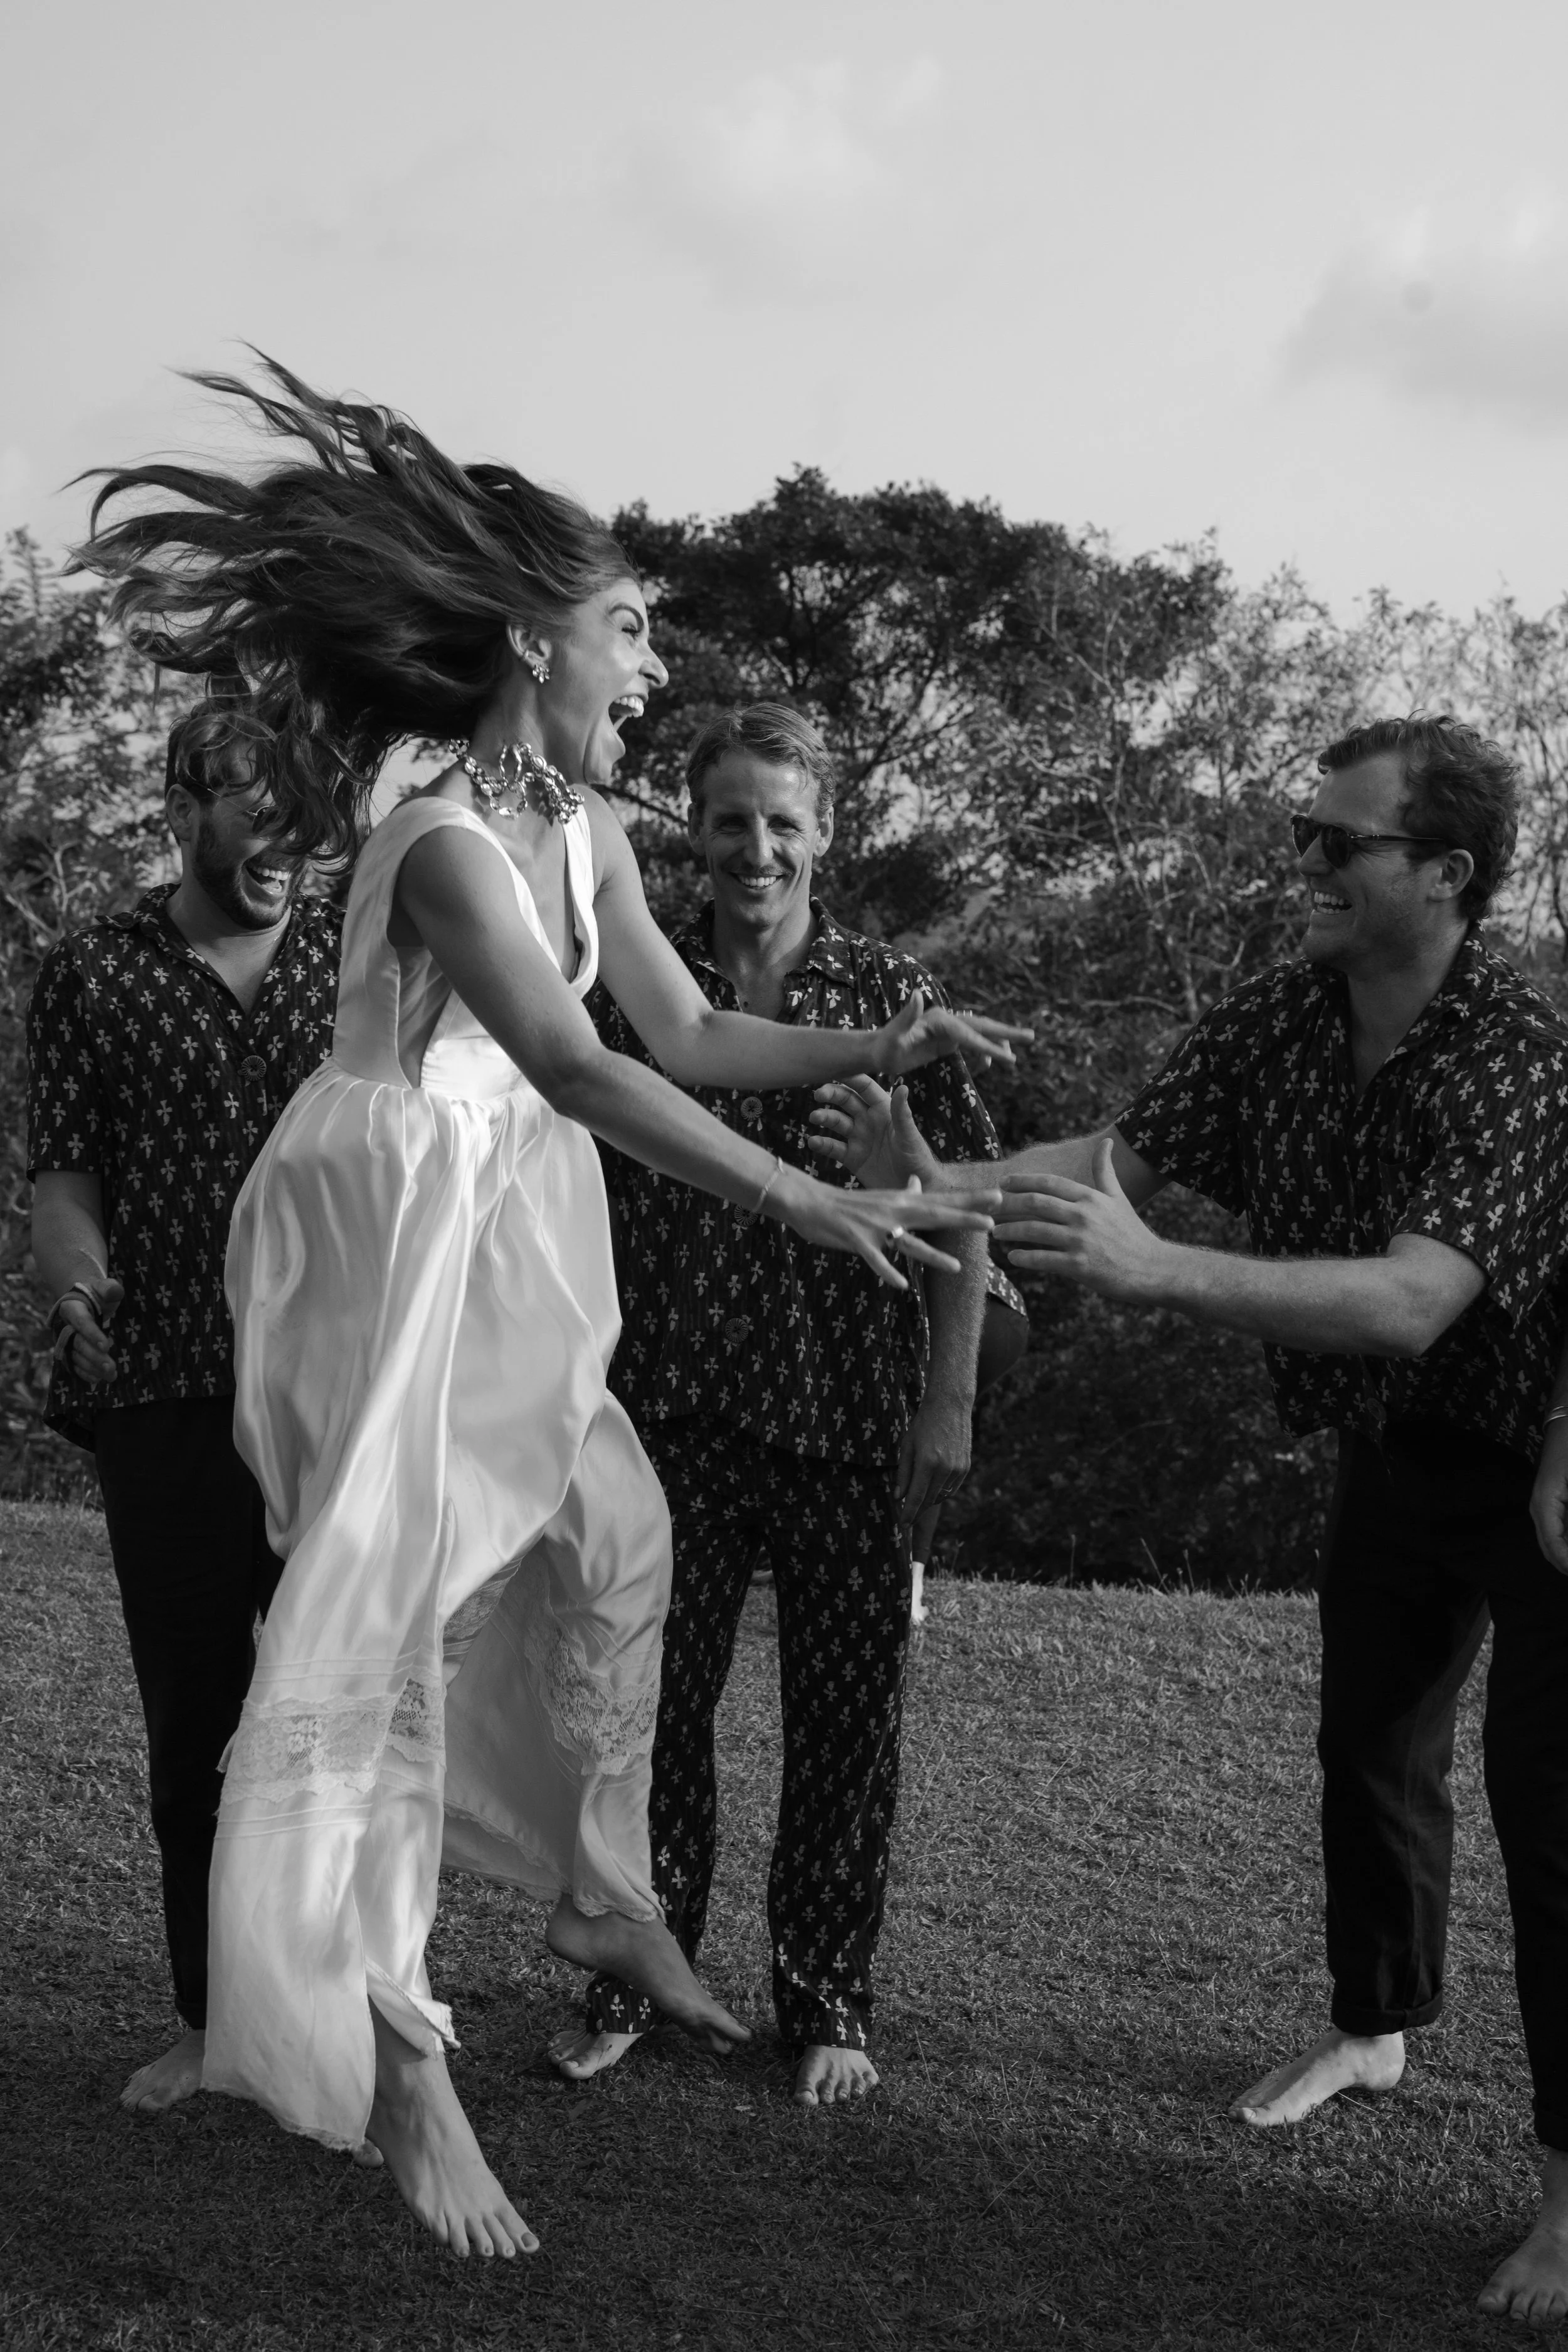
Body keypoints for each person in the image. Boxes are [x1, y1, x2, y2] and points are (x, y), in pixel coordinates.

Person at [77, 358, 1019, 2261]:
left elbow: (681, 1026)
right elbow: (578, 1066)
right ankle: (409, 2066)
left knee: (618, 1531)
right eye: (629, 626)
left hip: (504, 1220)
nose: (651, 663)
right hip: (390, 1231)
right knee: (384, 1653)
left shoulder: (571, 816)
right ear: (531, 634)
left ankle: (595, 1893)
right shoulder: (437, 829)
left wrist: (876, 1031)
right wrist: (807, 1197)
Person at [813, 716, 1568, 2329]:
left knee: (1554, 1816)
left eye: (1334, 844)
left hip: (1545, 1443)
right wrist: (929, 1177)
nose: (1298, 863)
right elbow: (1109, 1165)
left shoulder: (1513, 1055)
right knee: (1369, 1743)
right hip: (1397, 1446)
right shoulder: (1283, 1015)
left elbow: (1411, 1302)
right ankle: (1375, 2024)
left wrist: (1149, 1271)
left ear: (1442, 875)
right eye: (1301, 831)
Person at [549, 703, 1008, 2105]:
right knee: (645, 1715)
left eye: (782, 821)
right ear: (692, 832)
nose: (756, 846)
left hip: (848, 1415)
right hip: (666, 1411)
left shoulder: (892, 996)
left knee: (846, 1723)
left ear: (825, 835)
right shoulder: (627, 987)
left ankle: (827, 2000)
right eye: (732, 818)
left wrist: (949, 1403)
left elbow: (971, 1218)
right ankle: (637, 1973)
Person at [26, 701, 342, 2118]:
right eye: (253, 813)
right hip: (163, 1393)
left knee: (338, 1713)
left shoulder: (362, 956)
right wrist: (80, 1285)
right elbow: (67, 1179)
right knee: (198, 1719)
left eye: (299, 818)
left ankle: (347, 2010)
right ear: (182, 807)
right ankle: (213, 2022)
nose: (282, 845)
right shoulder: (92, 969)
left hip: (342, 1393)